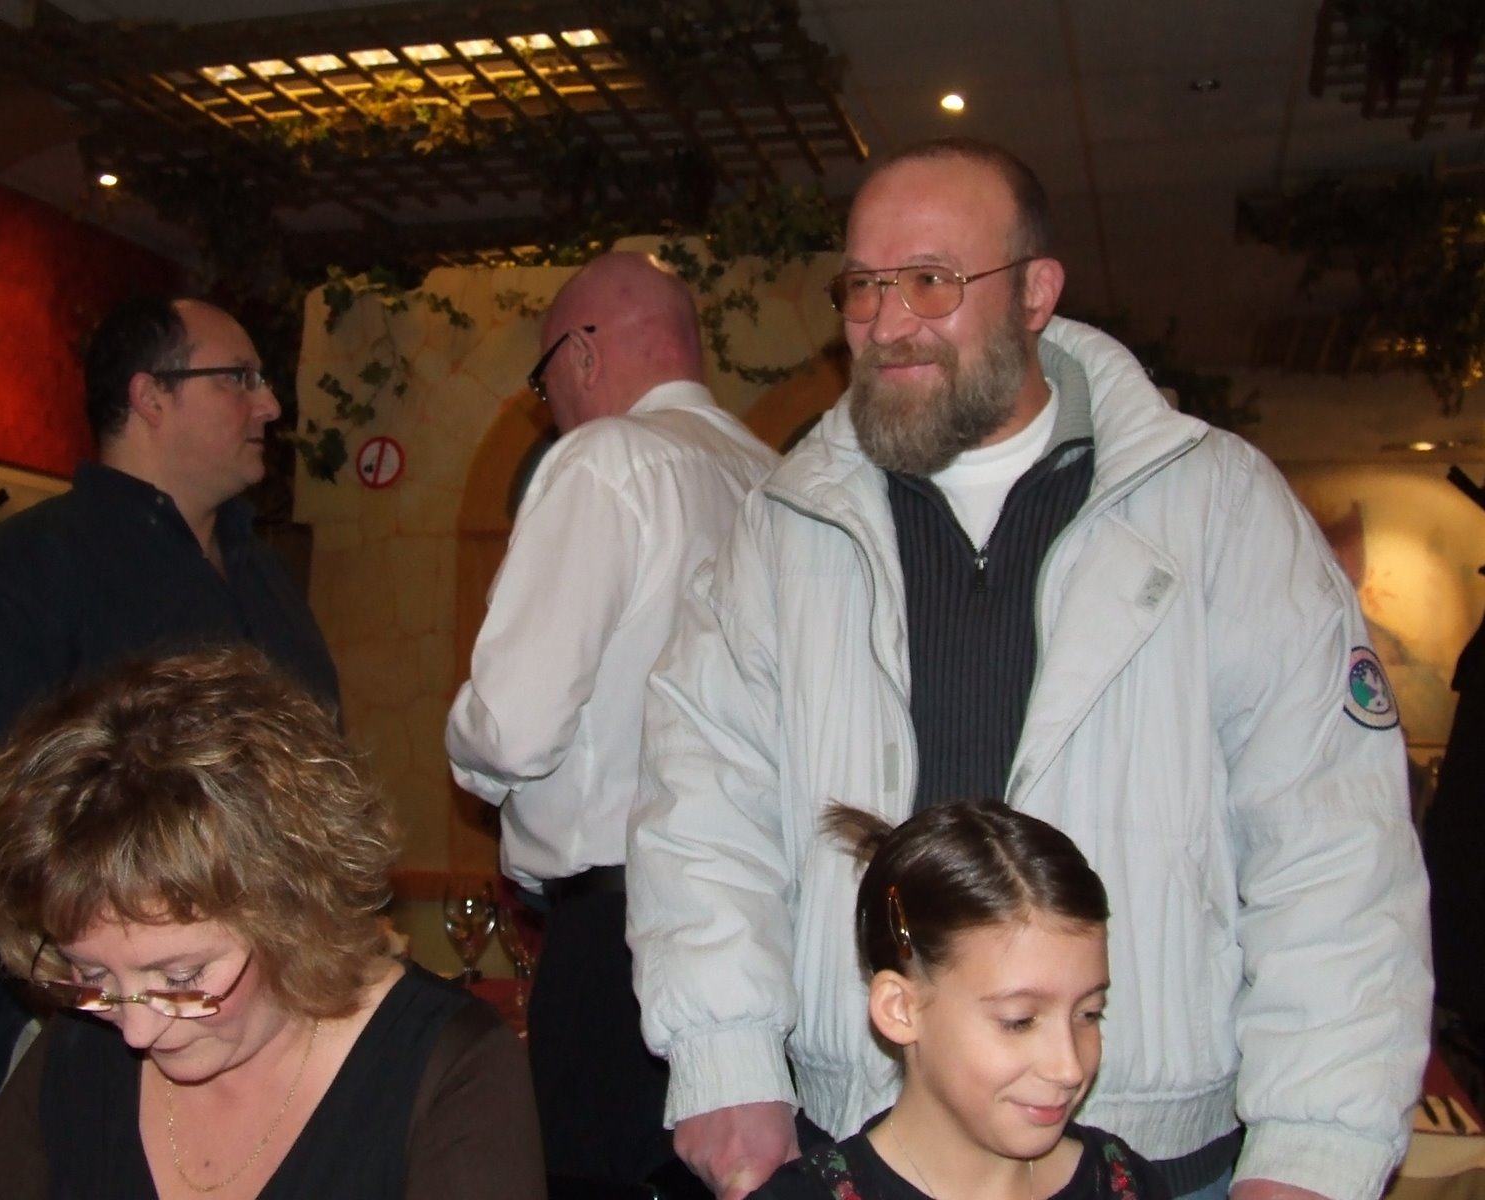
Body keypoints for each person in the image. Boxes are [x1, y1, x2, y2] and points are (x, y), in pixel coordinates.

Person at [627, 136, 1430, 1200]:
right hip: (860, 1148)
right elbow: (701, 813)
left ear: (1037, 293)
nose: (886, 322)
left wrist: (1317, 1150)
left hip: (1152, 1153)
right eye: (862, 286)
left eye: (931, 280)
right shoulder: (781, 526)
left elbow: (1332, 851)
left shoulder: (1217, 510)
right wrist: (723, 1057)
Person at [0, 295, 340, 1087]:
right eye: (239, 378)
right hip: (101, 1036)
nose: (269, 404)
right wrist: (73, 988)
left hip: (285, 1014)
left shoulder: (266, 579)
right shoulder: (19, 575)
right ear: (149, 395)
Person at [0, 646, 543, 1199]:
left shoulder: (448, 1073)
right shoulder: (77, 1052)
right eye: (92, 975)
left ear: (292, 915)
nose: (136, 1031)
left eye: (181, 978)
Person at [446, 250, 777, 1185]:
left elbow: (512, 728)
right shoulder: (776, 478)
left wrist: (468, 753)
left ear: (582, 356)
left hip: (618, 940)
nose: (549, 405)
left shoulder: (606, 461)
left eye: (543, 380)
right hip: (762, 932)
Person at [751, 800, 1169, 1200]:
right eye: (1019, 1020)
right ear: (900, 1009)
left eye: (1089, 1014)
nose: (1069, 1067)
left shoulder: (1126, 1184)